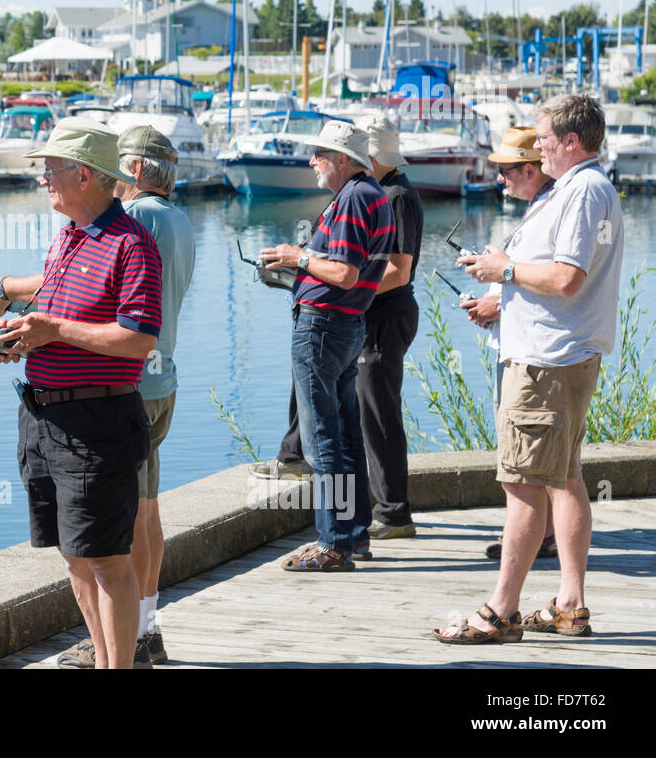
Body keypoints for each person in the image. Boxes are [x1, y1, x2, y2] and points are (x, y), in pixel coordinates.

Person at [437, 95, 623, 644]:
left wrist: (505, 269)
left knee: (521, 484)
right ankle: (570, 603)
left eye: (543, 137)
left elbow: (568, 278)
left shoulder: (583, 191)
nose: (536, 145)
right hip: (562, 354)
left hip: (546, 361)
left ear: (571, 141)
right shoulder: (586, 188)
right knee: (564, 477)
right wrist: (506, 287)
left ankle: (500, 612)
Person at [0, 118, 163, 669]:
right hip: (45, 419)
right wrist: (21, 341)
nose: (43, 180)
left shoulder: (132, 244)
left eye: (50, 170)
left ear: (83, 175)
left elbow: (138, 339)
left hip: (97, 421)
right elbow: (60, 317)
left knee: (106, 559)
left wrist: (54, 332)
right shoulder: (68, 238)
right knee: (75, 559)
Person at [259, 120, 394, 571]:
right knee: (346, 433)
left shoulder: (355, 196)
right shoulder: (375, 195)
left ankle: (333, 542)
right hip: (347, 323)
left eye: (319, 153)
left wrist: (297, 257)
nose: (312, 161)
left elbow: (345, 273)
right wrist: (299, 266)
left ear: (341, 159)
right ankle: (353, 535)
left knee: (321, 438)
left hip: (323, 327)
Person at [460, 127, 558, 561]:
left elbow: (553, 282)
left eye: (505, 171)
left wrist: (497, 303)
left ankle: (534, 539)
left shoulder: (548, 210)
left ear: (531, 169)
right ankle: (534, 535)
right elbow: (526, 278)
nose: (499, 179)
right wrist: (492, 302)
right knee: (532, 457)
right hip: (521, 345)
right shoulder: (540, 208)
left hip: (533, 353)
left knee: (525, 460)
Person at [354, 115, 423, 540]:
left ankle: (394, 513)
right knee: (371, 411)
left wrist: (349, 289)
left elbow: (398, 271)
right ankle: (386, 507)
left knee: (379, 414)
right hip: (378, 313)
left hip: (386, 314)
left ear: (376, 156)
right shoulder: (387, 190)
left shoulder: (397, 196)